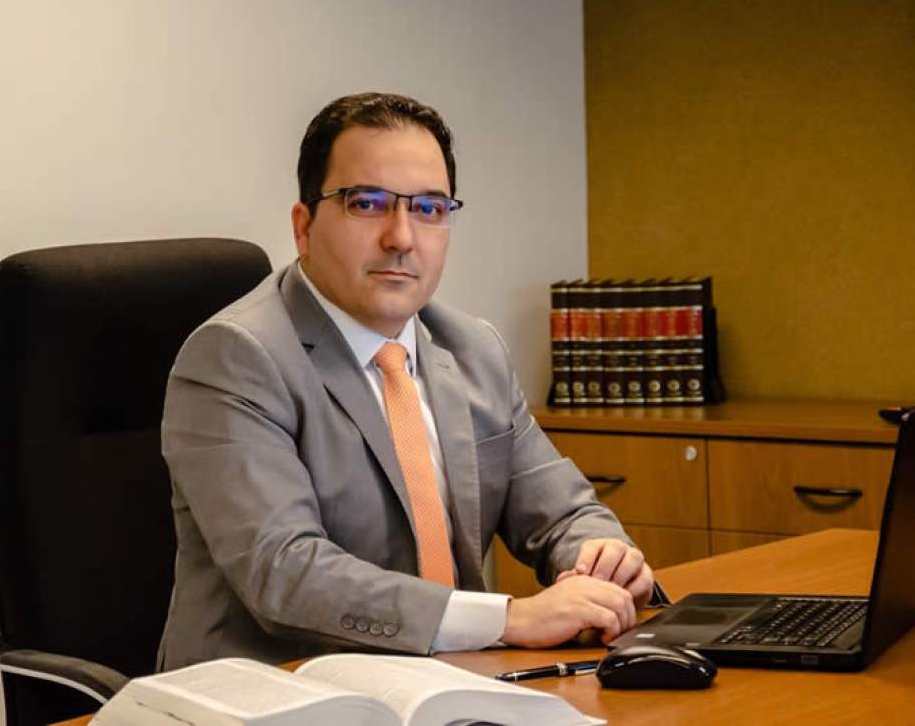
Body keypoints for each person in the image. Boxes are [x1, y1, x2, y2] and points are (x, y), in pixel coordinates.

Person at [156, 92, 654, 671]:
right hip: (277, 691)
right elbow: (284, 571)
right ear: (304, 226)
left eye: (430, 208)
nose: (401, 237)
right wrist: (508, 619)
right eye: (367, 204)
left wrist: (600, 558)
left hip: (444, 683)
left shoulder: (472, 348)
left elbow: (562, 512)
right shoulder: (237, 357)